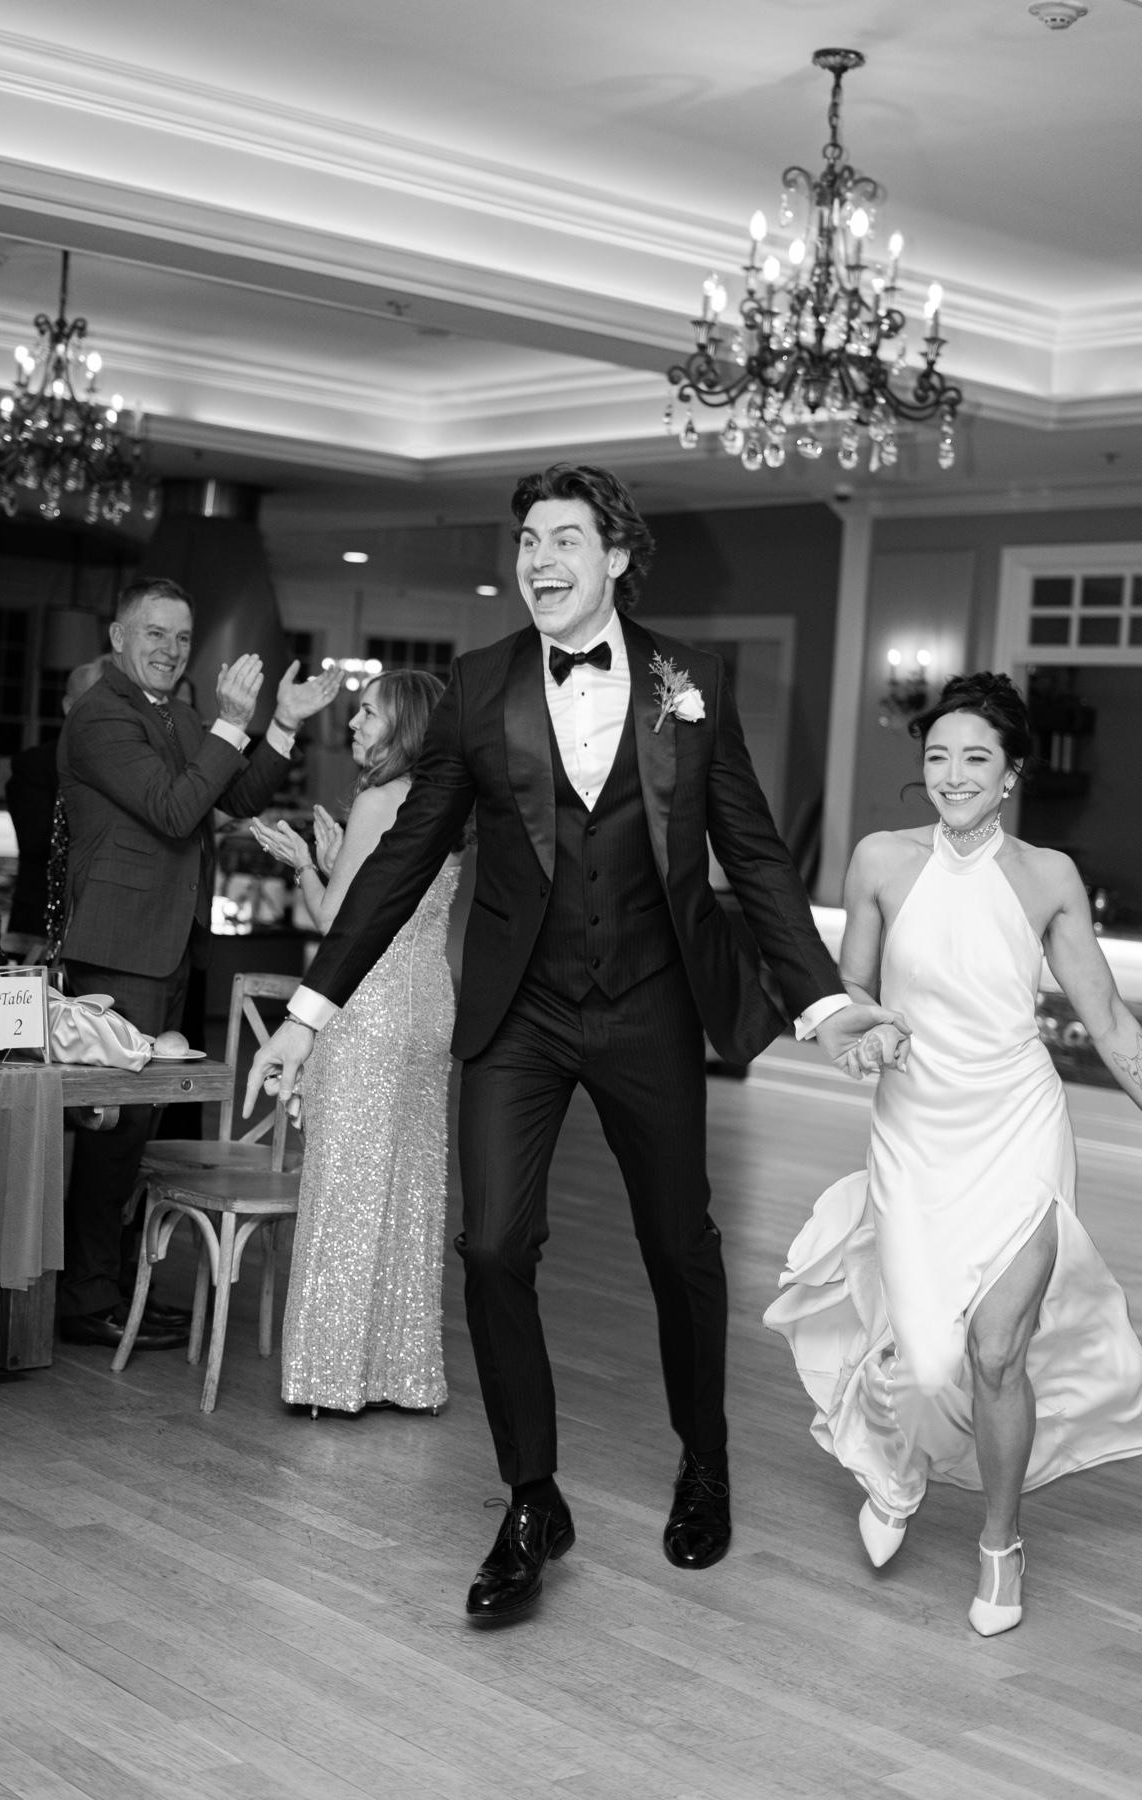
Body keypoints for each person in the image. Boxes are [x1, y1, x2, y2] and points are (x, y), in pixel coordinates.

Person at [244, 462, 900, 1625]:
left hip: (650, 1002)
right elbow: (400, 863)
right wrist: (309, 1013)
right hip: (522, 1013)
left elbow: (753, 852)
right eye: (527, 542)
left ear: (616, 557)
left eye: (563, 540)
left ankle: (705, 1459)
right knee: (494, 1246)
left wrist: (821, 1003)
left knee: (680, 1245)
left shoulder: (690, 683)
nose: (539, 560)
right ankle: (531, 1500)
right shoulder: (478, 684)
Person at [765, 672, 1142, 1637]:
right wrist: (870, 1028)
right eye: (938, 756)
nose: (954, 774)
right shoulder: (881, 860)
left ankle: (1001, 1545)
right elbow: (851, 988)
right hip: (915, 1133)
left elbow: (1108, 1020)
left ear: (1011, 773)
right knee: (933, 1364)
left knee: (997, 1350)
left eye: (976, 757)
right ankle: (896, 1465)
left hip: (1018, 1124)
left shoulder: (1049, 877)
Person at [55, 575, 341, 1351]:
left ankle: (116, 1290)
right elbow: (178, 809)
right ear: (118, 636)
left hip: (170, 942)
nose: (171, 649)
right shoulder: (99, 717)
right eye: (155, 633)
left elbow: (237, 795)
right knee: (115, 1131)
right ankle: (84, 1299)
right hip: (120, 948)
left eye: (182, 637)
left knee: (141, 1129)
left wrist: (280, 724)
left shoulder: (174, 715)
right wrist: (230, 722)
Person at [249, 670, 462, 1415]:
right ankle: (403, 1376)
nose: (354, 724)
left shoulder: (378, 800)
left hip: (368, 1007)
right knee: (409, 1187)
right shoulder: (446, 806)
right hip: (428, 1006)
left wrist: (306, 865)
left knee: (345, 1183)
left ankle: (330, 1377)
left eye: (367, 713)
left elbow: (338, 921)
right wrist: (339, 860)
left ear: (404, 725)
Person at [4, 655, 109, 954]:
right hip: (38, 928)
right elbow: (36, 840)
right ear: (68, 706)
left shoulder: (125, 766)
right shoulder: (34, 765)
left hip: (103, 925)